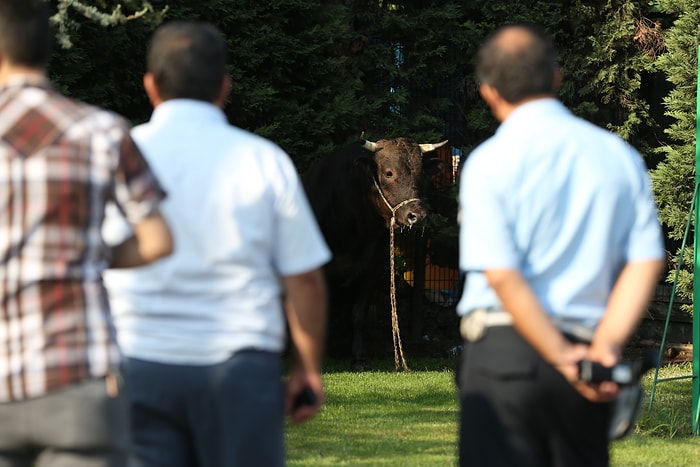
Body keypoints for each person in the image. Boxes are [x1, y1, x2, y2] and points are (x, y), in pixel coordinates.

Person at [102, 21, 331, 467]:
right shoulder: (264, 161)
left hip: (139, 362)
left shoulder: (117, 156)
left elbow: (94, 263)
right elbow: (304, 278)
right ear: (224, 87)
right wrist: (306, 367)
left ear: (150, 86)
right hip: (239, 369)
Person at [456, 23, 666, 467]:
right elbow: (647, 260)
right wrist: (604, 348)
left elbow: (502, 275)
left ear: (488, 92)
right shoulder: (618, 156)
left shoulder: (489, 162)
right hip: (590, 355)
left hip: (504, 359)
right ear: (556, 76)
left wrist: (558, 356)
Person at [0, 1, 173, 466]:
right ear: (45, 47)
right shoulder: (103, 131)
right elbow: (158, 240)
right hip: (78, 378)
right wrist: (90, 253)